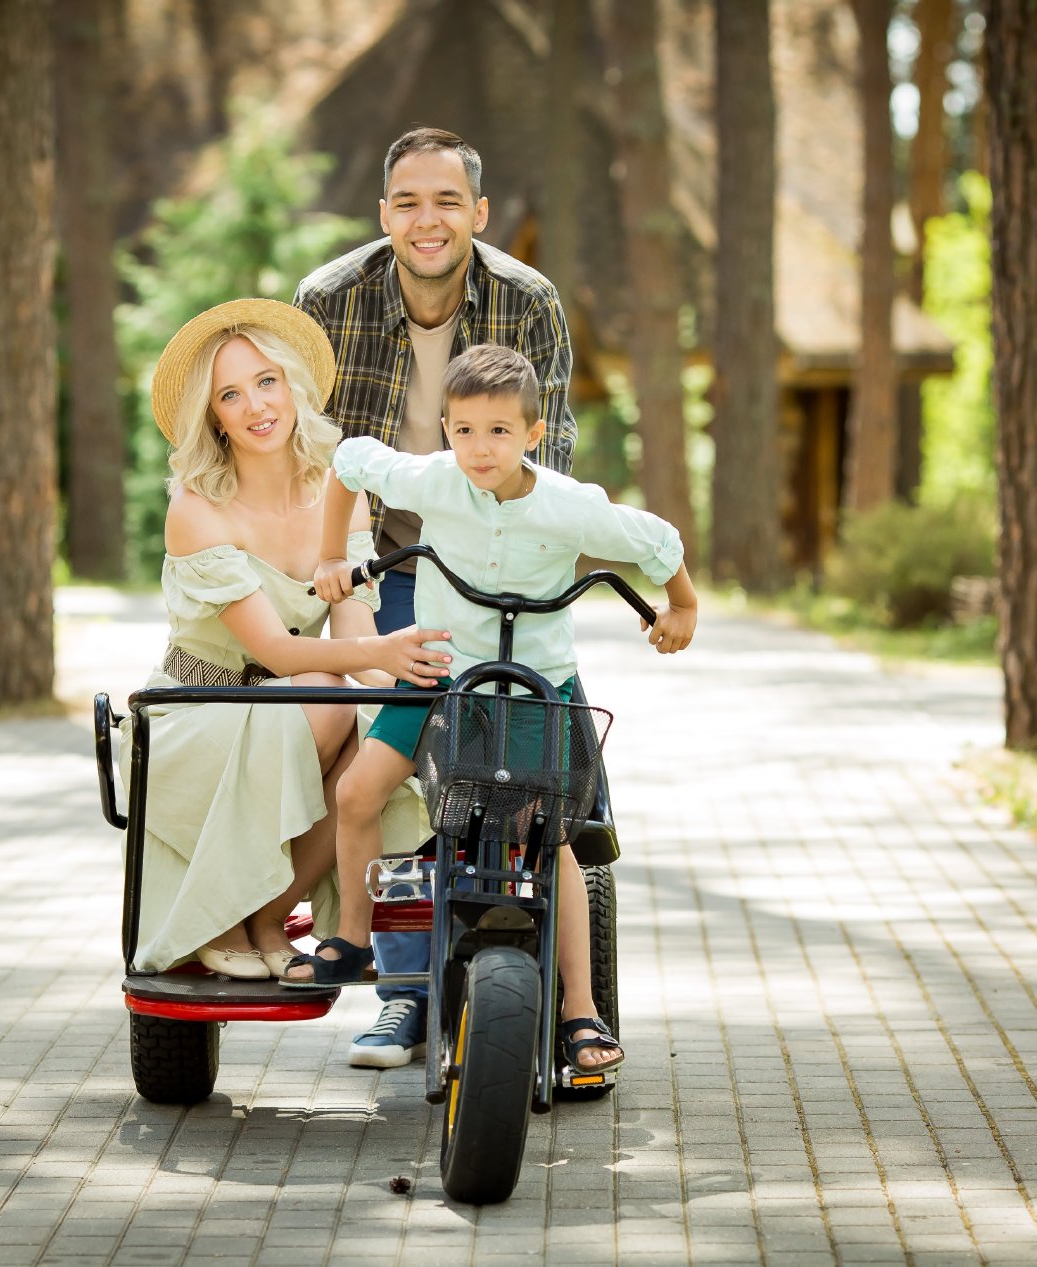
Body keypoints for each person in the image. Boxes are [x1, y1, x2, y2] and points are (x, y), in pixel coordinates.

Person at [288, 344, 699, 1077]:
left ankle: (579, 1009)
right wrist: (330, 558)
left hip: (534, 689)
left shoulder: (571, 505)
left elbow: (658, 541)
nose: (481, 448)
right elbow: (350, 461)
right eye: (466, 430)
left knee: (552, 836)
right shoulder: (434, 480)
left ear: (534, 434)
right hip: (441, 676)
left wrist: (683, 606)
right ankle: (351, 937)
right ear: (446, 429)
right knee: (356, 793)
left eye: (500, 431)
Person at [293, 125, 578, 1069]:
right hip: (379, 564)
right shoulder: (329, 300)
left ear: (478, 213)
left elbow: (554, 450)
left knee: (513, 768)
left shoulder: (528, 301)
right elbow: (317, 458)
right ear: (384, 214)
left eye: (448, 201)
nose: (428, 220)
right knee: (398, 759)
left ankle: (540, 987)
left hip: (495, 565)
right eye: (409, 202)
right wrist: (342, 586)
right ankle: (404, 996)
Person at [129, 298, 444, 979]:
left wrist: (412, 685)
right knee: (329, 695)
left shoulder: (337, 489)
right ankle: (223, 917)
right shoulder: (196, 506)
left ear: (293, 385)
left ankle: (269, 916)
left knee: (377, 734)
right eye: (230, 395)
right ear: (213, 416)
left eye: (266, 381)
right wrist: (373, 657)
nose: (256, 406)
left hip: (295, 704)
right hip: (201, 705)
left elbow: (356, 631)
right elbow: (277, 651)